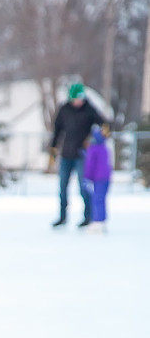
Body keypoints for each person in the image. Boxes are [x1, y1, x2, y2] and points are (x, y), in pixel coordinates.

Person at [49, 83, 106, 229]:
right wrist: (53, 150)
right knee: (62, 187)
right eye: (75, 99)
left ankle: (88, 217)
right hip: (66, 154)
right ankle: (62, 217)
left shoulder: (89, 109)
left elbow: (105, 125)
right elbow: (57, 131)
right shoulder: (64, 109)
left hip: (82, 155)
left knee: (83, 187)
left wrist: (96, 138)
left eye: (80, 98)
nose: (78, 102)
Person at [84, 125, 112, 233]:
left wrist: (87, 177)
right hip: (105, 178)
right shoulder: (104, 147)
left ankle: (98, 221)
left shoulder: (93, 148)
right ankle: (102, 221)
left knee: (97, 199)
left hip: (97, 178)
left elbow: (90, 165)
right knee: (102, 199)